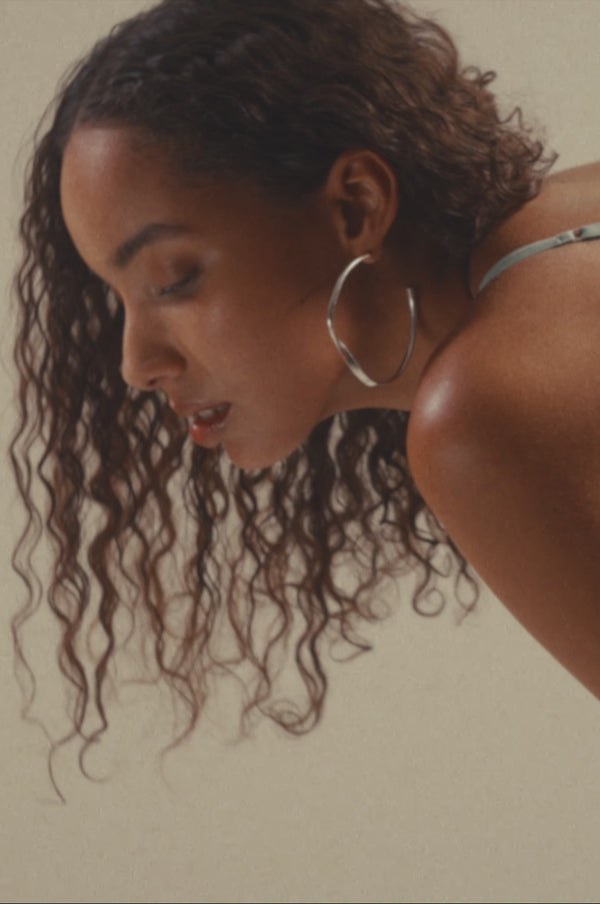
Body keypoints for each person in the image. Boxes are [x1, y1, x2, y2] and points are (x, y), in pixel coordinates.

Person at [10, 0, 600, 775]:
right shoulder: (574, 212)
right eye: (116, 299)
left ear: (356, 205)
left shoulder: (482, 411)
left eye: (174, 279)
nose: (135, 363)